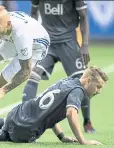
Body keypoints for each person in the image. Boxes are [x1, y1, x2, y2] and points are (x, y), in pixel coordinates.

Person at [0, 66, 108, 145]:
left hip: (18, 112)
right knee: (7, 135)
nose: (99, 91)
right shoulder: (78, 91)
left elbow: (50, 111)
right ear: (88, 81)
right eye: (98, 86)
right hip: (26, 129)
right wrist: (83, 141)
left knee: (6, 123)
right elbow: (70, 114)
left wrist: (61, 137)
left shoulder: (66, 82)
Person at [22, 0, 94, 133]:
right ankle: (24, 117)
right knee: (33, 74)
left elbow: (83, 16)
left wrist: (84, 44)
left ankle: (87, 121)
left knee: (82, 81)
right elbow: (33, 13)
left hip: (69, 42)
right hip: (47, 42)